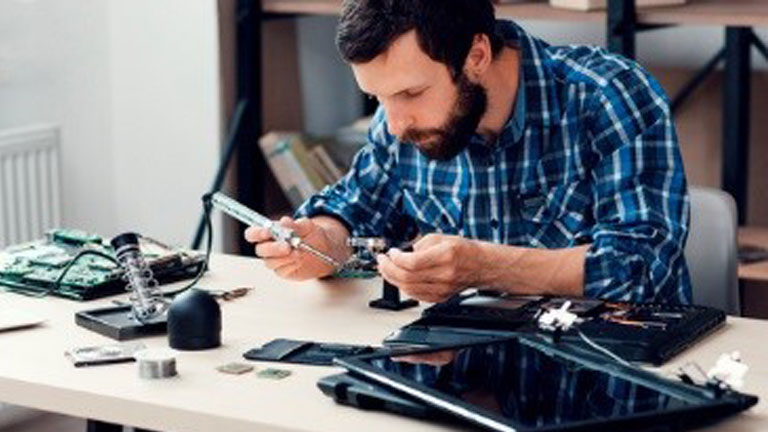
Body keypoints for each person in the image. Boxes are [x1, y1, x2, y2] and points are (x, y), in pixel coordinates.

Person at [245, 0, 691, 305]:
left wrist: (484, 268)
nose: (395, 124)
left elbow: (640, 268)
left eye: (411, 92)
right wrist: (321, 243)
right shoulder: (399, 121)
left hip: (608, 382)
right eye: (378, 98)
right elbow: (354, 211)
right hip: (466, 371)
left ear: (476, 54)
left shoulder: (607, 95)